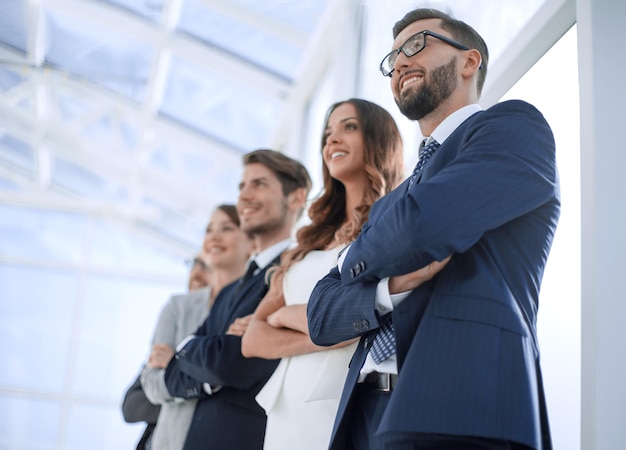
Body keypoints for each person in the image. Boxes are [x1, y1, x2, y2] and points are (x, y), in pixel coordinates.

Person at [307, 7, 560, 450]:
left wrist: (352, 255)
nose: (400, 62)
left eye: (416, 44)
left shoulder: (513, 127)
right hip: (363, 417)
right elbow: (320, 315)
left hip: (461, 405)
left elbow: (419, 230)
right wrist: (389, 286)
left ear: (470, 61)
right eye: (392, 58)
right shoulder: (392, 201)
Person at [241, 99, 404, 450]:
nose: (332, 140)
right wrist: (325, 330)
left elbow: (362, 318)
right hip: (287, 405)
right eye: (327, 133)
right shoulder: (308, 237)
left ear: (379, 140)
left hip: (340, 399)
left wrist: (287, 316)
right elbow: (253, 338)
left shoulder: (391, 225)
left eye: (349, 127)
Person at [164, 149, 312, 450]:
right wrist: (189, 350)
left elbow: (235, 364)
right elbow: (171, 376)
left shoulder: (298, 271)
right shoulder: (229, 291)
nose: (243, 196)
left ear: (295, 198)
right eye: (241, 187)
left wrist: (188, 348)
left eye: (259, 184)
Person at [140, 204, 253, 450]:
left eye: (227, 228)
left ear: (251, 244)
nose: (214, 236)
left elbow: (242, 371)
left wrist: (177, 363)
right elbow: (151, 383)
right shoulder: (178, 307)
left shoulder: (257, 303)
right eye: (209, 229)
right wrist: (208, 373)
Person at [122, 251, 211, 450]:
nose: (196, 272)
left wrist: (175, 367)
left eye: (206, 266)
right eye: (194, 264)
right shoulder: (172, 333)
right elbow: (132, 406)